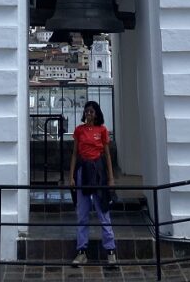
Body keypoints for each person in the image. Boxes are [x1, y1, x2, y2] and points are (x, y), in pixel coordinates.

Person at [68, 100, 117, 266]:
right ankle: (82, 251)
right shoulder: (79, 130)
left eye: (91, 111)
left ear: (96, 114)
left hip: (98, 173)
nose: (88, 114)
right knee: (82, 212)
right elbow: (75, 154)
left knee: (103, 210)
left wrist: (111, 178)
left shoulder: (102, 130)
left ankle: (110, 251)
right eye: (86, 111)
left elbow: (107, 155)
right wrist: (71, 176)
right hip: (82, 172)